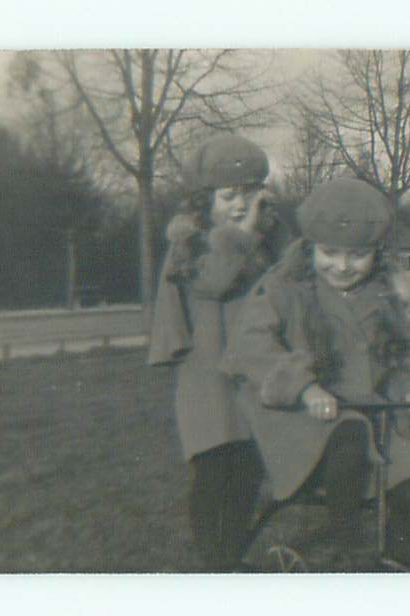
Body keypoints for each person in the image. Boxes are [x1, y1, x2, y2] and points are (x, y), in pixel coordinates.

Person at [222, 177, 410, 570]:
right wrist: (304, 387)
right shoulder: (283, 286)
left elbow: (405, 349)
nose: (342, 266)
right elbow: (250, 345)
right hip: (303, 418)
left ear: (376, 253)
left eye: (356, 256)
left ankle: (394, 565)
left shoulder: (385, 295)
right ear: (310, 248)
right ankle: (352, 553)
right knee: (349, 436)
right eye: (329, 253)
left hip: (373, 412)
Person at [148, 133, 286, 572]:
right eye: (229, 197)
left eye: (250, 195)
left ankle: (228, 558)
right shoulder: (193, 245)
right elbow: (215, 282)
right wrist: (244, 234)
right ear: (204, 201)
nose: (241, 206)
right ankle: (216, 562)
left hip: (248, 375)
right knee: (214, 470)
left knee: (248, 468)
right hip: (206, 380)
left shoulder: (265, 241)